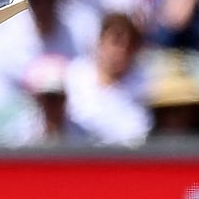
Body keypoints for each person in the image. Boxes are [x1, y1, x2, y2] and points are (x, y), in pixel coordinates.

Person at [63, 11, 151, 147]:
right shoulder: (75, 75)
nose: (121, 50)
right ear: (100, 41)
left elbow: (139, 131)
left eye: (129, 45)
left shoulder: (143, 83)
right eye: (116, 41)